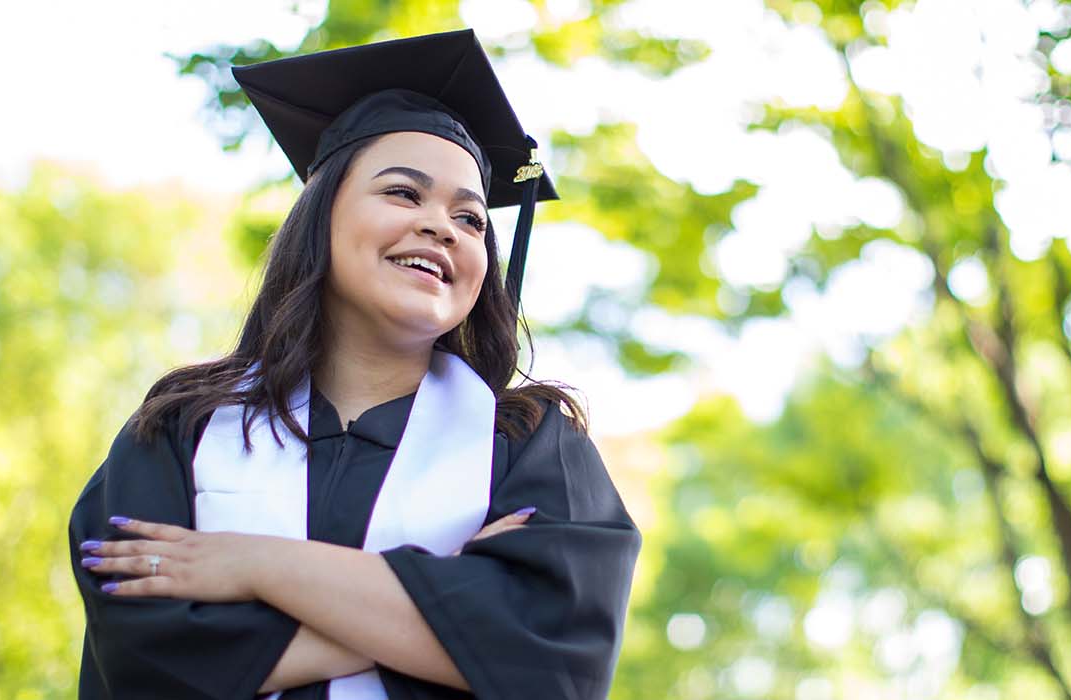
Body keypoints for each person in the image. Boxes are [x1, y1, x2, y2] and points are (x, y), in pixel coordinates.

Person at [67, 29, 641, 700]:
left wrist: (253, 564)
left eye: (472, 218)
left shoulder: (528, 443)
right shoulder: (183, 427)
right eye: (404, 193)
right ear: (321, 214)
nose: (442, 226)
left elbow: (555, 665)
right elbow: (146, 664)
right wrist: (457, 603)